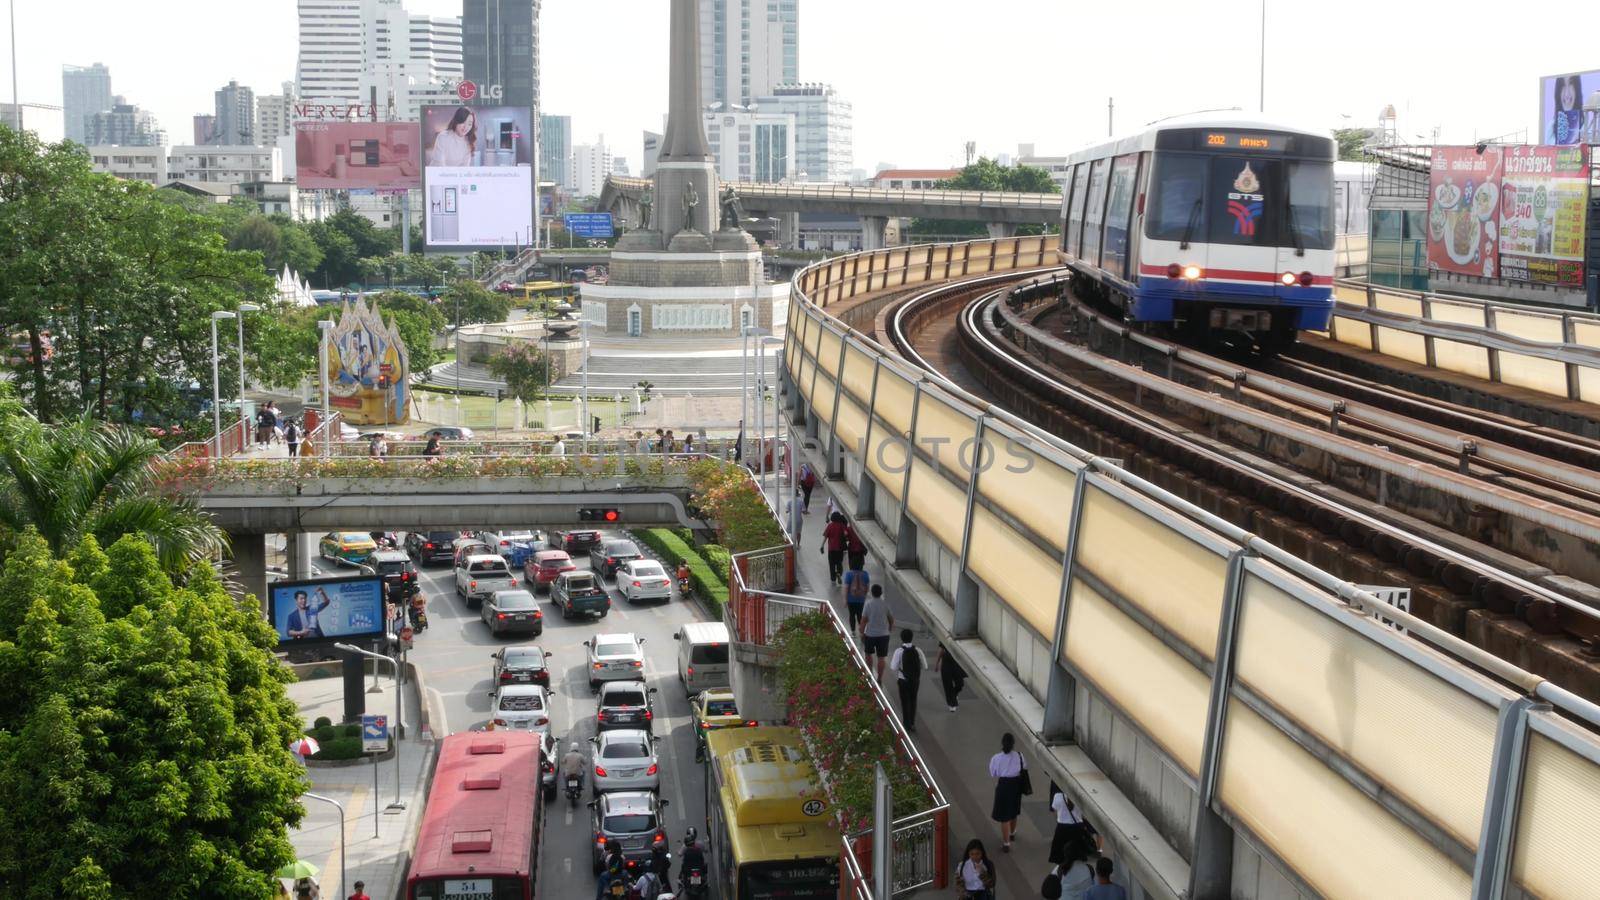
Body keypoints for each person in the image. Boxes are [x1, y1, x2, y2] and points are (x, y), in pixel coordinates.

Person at [988, 733, 1027, 852]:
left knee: (1004, 817)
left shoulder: (996, 758)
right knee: (1014, 811)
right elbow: (1024, 768)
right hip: (1016, 786)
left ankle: (1006, 843)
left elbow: (993, 773)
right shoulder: (1020, 756)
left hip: (1003, 786)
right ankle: (1012, 833)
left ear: (1002, 743)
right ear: (1013, 744)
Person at [1048, 783, 1101, 866]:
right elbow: (1084, 814)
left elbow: (1054, 809)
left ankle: (1062, 871)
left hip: (1062, 828)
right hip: (1078, 828)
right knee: (1078, 854)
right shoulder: (1081, 798)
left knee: (1059, 855)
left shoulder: (1058, 796)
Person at [888, 628, 927, 732]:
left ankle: (906, 723)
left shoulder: (899, 651)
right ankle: (913, 723)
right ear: (911, 638)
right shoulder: (918, 650)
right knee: (913, 700)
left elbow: (893, 667)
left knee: (905, 702)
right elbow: (925, 666)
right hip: (915, 680)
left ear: (901, 638)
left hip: (903, 680)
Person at [858, 584, 894, 682]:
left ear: (872, 593)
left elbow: (864, 620)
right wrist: (889, 629)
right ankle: (879, 678)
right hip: (884, 635)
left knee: (868, 654)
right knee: (881, 658)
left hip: (870, 635)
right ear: (881, 593)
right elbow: (891, 619)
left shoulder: (868, 604)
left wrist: (861, 632)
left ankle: (869, 674)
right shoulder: (885, 604)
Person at [1549, 74, 1584, 144]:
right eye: (1562, 85)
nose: (1567, 94)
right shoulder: (1550, 129)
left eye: (1571, 84)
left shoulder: (1586, 128)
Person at [936, 643, 967, 711]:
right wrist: (937, 663)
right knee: (947, 684)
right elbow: (941, 650)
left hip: (957, 663)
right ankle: (952, 704)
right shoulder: (944, 637)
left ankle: (954, 694)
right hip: (946, 662)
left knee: (960, 684)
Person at [820, 512, 849, 584]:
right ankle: (839, 573)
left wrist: (822, 545)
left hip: (831, 549)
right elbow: (846, 534)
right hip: (839, 548)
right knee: (839, 562)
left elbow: (826, 536)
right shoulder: (842, 525)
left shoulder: (830, 526)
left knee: (831, 563)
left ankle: (833, 578)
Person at [842, 564, 871, 632]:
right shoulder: (865, 574)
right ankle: (862, 631)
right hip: (861, 599)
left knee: (852, 615)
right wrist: (865, 595)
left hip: (850, 599)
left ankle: (853, 631)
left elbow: (846, 587)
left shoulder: (849, 574)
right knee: (860, 615)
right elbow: (867, 586)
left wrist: (845, 599)